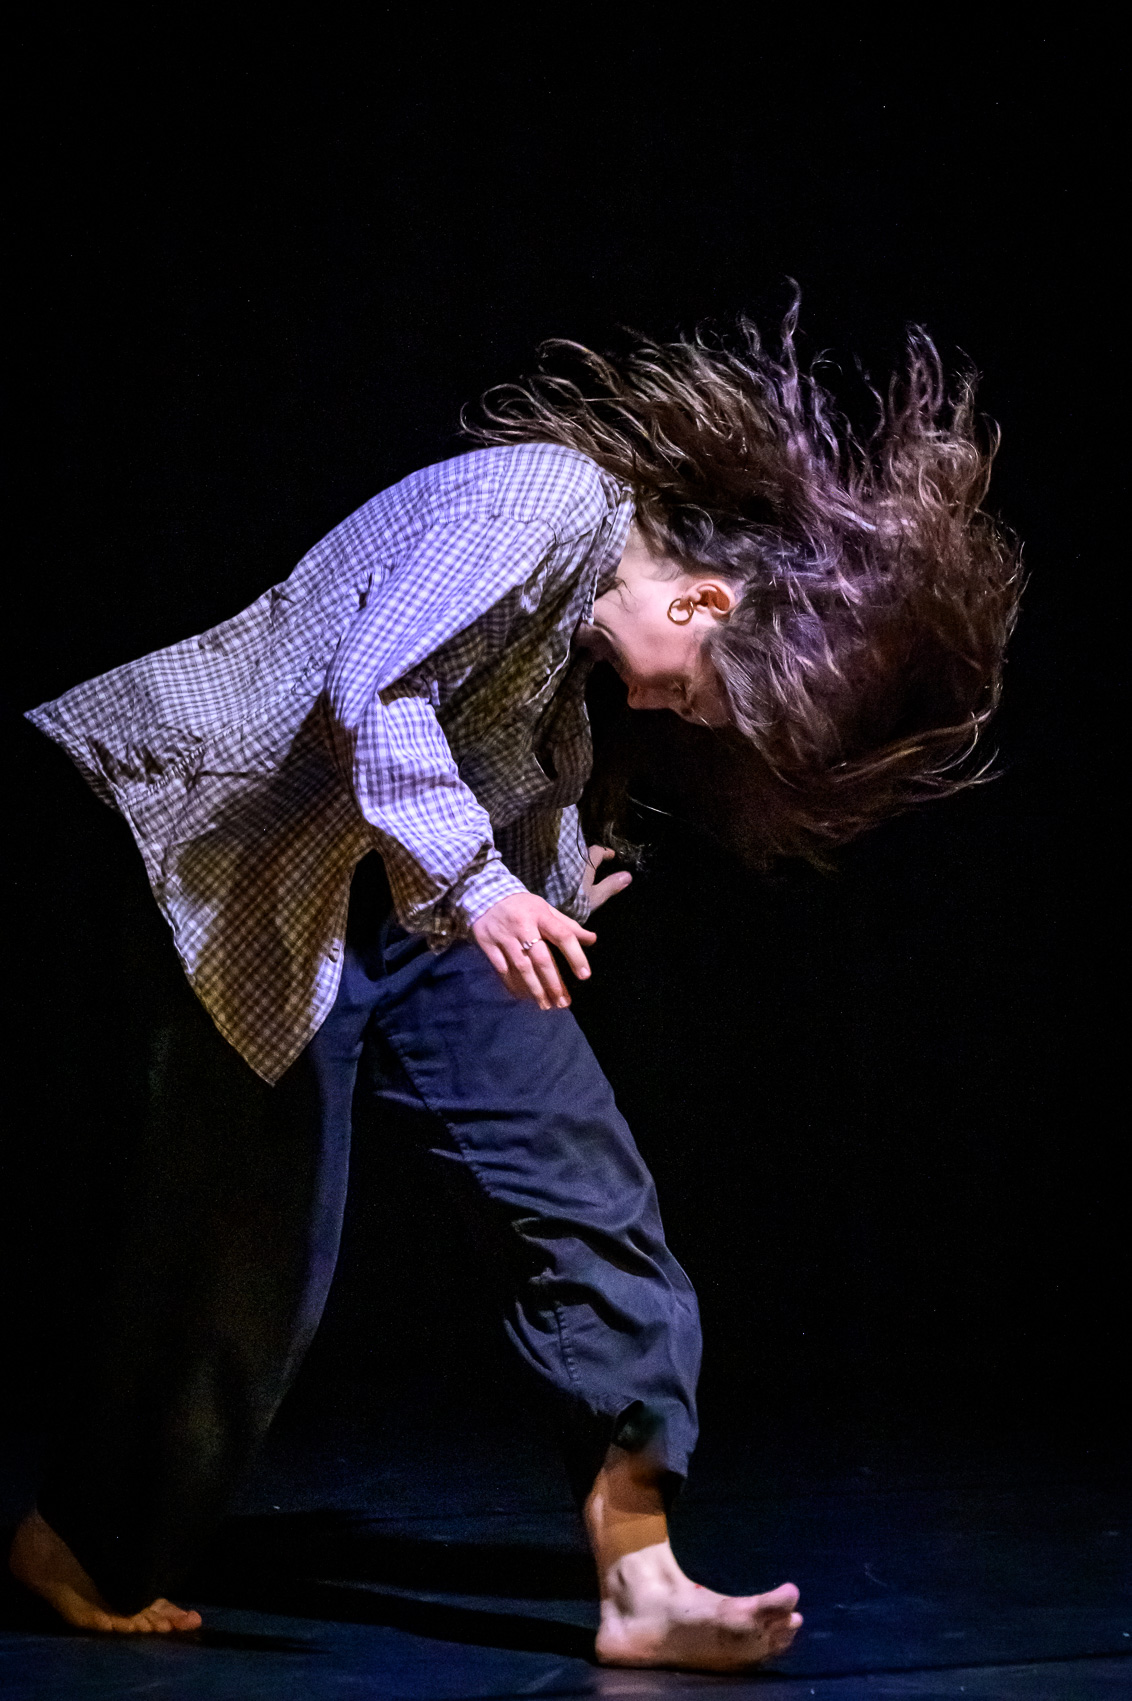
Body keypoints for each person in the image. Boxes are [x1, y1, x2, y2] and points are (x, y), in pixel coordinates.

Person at [10, 307, 1019, 1671]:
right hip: (233, 872)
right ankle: (80, 1538)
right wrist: (487, 884)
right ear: (704, 600)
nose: (683, 718)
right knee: (251, 1254)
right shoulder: (542, 501)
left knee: (589, 1198)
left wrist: (545, 870)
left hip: (416, 910)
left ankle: (642, 1580)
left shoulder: (578, 660)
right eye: (711, 696)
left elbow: (494, 756)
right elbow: (379, 690)